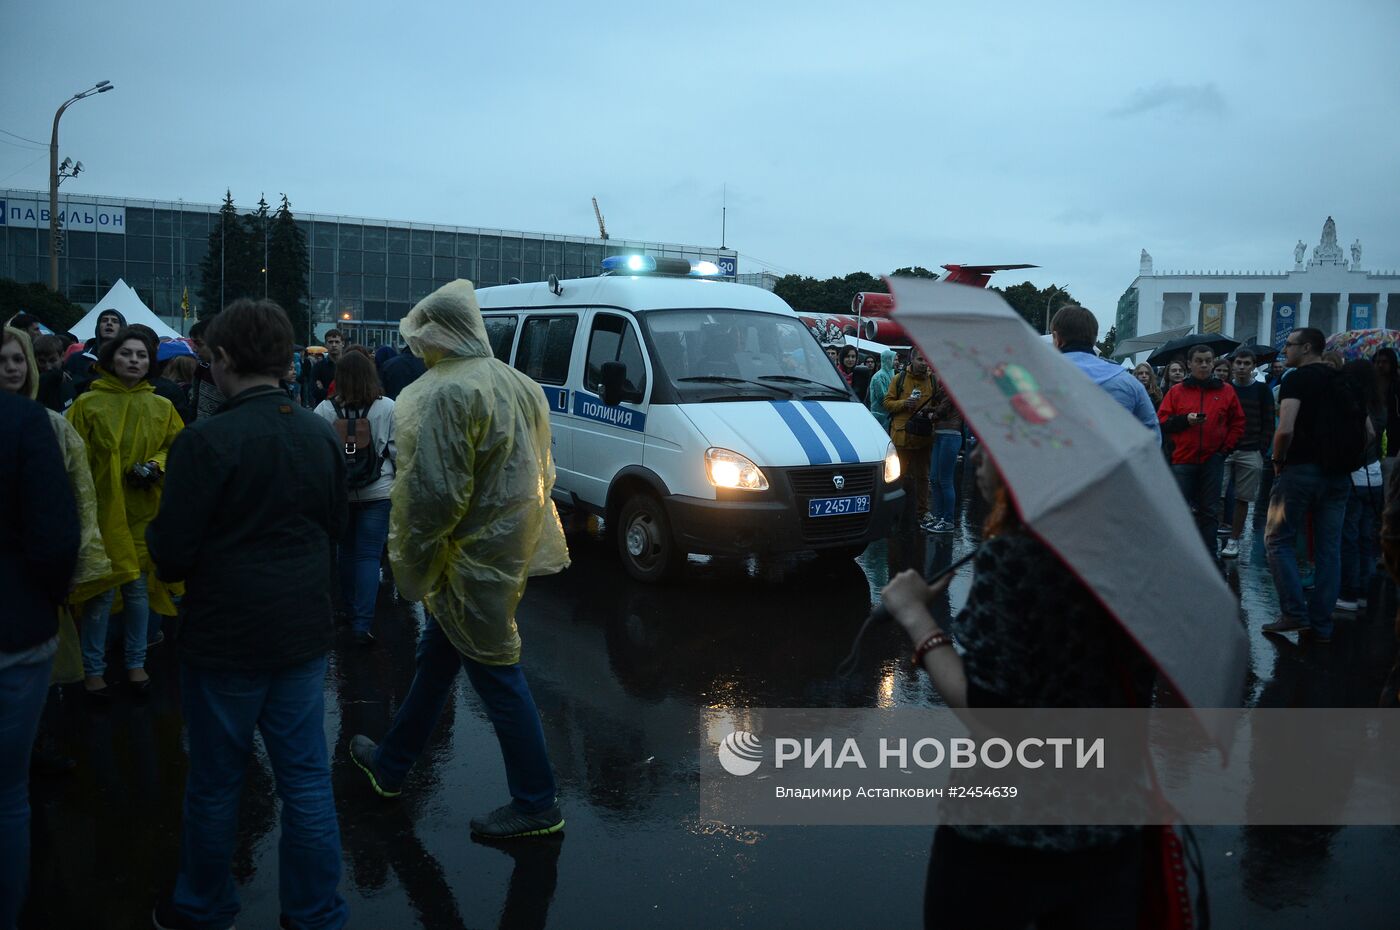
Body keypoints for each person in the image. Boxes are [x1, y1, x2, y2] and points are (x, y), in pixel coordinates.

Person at [881, 444, 1153, 929]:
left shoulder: (1016, 555)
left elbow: (987, 711)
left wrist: (916, 618)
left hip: (1004, 834)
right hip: (1110, 824)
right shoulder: (1131, 552)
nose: (975, 460)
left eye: (987, 451)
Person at [147, 299, 349, 930]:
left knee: (215, 784)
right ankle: (316, 913)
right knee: (307, 782)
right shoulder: (319, 433)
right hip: (300, 632)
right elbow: (334, 527)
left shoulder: (205, 441)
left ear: (224, 358)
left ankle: (203, 907)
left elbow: (172, 555)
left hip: (225, 639)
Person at [348, 280, 571, 839]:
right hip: (496, 555)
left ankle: (537, 801)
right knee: (437, 659)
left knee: (498, 674)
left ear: (440, 332)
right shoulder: (518, 384)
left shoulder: (445, 392)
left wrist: (413, 562)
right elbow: (539, 471)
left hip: (463, 561)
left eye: (425, 334)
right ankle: (393, 765)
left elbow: (434, 495)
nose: (419, 344)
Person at [64, 326, 183, 699]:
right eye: (126, 354)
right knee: (100, 593)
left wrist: (154, 466)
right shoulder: (87, 404)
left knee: (137, 591)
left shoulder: (161, 406)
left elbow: (174, 447)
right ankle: (93, 670)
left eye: (141, 355)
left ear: (151, 363)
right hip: (101, 514)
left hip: (144, 512)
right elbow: (71, 456)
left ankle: (136, 664)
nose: (134, 360)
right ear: (110, 359)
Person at [0, 387, 79, 930]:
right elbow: (56, 533)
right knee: (7, 794)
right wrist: (45, 599)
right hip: (13, 627)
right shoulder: (23, 421)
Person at [1263, 328, 1364, 643]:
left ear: (1307, 348)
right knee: (1329, 550)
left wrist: (1278, 460)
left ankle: (1294, 612)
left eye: (1289, 345)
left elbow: (1285, 428)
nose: (1285, 351)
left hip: (1298, 473)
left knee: (1277, 539)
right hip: (1338, 477)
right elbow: (1370, 433)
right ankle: (1321, 624)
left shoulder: (1297, 379)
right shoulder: (1345, 380)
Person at [314, 351, 396, 646]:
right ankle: (362, 624)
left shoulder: (324, 410)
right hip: (378, 491)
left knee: (345, 552)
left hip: (341, 493)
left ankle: (346, 610)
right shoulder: (386, 407)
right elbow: (398, 451)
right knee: (368, 555)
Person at [1158, 344, 1244, 555]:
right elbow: (1162, 421)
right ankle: (1174, 552)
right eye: (1199, 361)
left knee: (1209, 511)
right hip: (1183, 458)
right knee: (1177, 509)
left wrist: (1224, 450)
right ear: (1190, 364)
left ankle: (1208, 555)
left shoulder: (1226, 390)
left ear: (1213, 362)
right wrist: (1185, 421)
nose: (1204, 365)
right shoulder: (1176, 391)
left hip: (1212, 459)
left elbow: (1238, 422)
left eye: (1208, 360)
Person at [1051, 306, 1160, 440]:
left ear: (1056, 338)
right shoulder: (1129, 383)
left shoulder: (1033, 377)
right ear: (1094, 339)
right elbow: (1152, 436)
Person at [1337, 358, 1385, 612]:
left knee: (1349, 536)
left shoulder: (1355, 405)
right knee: (1368, 537)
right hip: (1375, 475)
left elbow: (1366, 436)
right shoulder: (1380, 405)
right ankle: (1366, 591)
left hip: (1356, 475)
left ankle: (1349, 592)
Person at [1220, 349, 1274, 559]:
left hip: (1251, 449)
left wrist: (1261, 449)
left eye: (1246, 363)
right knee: (1218, 493)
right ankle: (1216, 532)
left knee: (1244, 497)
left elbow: (1268, 422)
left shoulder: (1262, 391)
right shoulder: (1225, 389)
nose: (1242, 367)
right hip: (1225, 449)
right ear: (1233, 365)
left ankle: (1234, 539)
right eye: (1239, 363)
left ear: (1253, 366)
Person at [883, 348, 936, 530]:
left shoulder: (933, 381)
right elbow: (887, 403)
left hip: (923, 437)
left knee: (923, 477)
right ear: (912, 360)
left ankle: (922, 513)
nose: (924, 363)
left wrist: (930, 413)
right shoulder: (899, 379)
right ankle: (894, 511)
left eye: (926, 360)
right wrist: (904, 403)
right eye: (921, 359)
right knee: (898, 477)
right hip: (902, 436)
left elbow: (936, 407)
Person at [926, 371, 963, 535]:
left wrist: (930, 413)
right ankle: (938, 517)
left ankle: (948, 521)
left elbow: (941, 411)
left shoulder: (953, 389)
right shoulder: (943, 389)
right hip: (940, 435)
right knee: (934, 478)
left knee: (945, 480)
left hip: (950, 435)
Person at [63, 307, 125, 384]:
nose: (109, 323)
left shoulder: (127, 360)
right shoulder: (77, 358)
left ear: (122, 328)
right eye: (104, 320)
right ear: (98, 327)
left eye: (115, 321)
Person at [187, 318, 227, 421]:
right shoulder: (201, 369)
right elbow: (194, 404)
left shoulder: (234, 374)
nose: (194, 349)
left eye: (199, 344)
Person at [33, 334, 77, 414]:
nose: (48, 367)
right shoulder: (32, 386)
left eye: (52, 360)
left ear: (62, 356)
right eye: (42, 361)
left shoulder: (72, 380)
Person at [1373, 347, 1400, 459]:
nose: (1380, 365)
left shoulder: (1397, 383)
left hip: (1394, 426)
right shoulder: (1371, 383)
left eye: (1384, 362)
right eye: (1378, 362)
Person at [867, 348, 897, 431]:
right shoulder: (879, 377)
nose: (896, 362)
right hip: (880, 416)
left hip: (888, 415)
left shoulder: (891, 373)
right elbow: (882, 398)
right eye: (894, 359)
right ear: (888, 360)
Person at [312, 329, 344, 404]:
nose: (334, 345)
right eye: (330, 342)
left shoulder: (349, 365)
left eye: (337, 342)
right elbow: (315, 392)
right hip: (323, 408)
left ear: (342, 343)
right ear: (325, 344)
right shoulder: (318, 366)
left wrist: (324, 390)